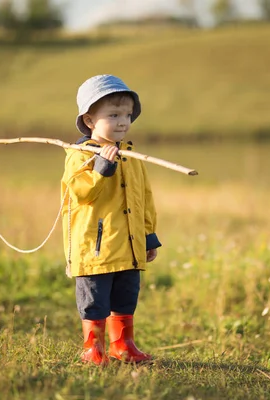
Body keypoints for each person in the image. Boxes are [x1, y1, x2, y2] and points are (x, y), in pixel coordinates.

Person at [61, 75, 161, 365]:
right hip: (96, 246)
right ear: (90, 120)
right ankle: (93, 348)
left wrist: (148, 237)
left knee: (126, 296)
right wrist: (101, 166)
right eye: (113, 115)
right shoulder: (81, 154)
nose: (123, 122)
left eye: (127, 115)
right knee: (94, 300)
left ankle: (123, 344)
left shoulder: (131, 155)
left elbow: (144, 199)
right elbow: (80, 193)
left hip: (128, 245)